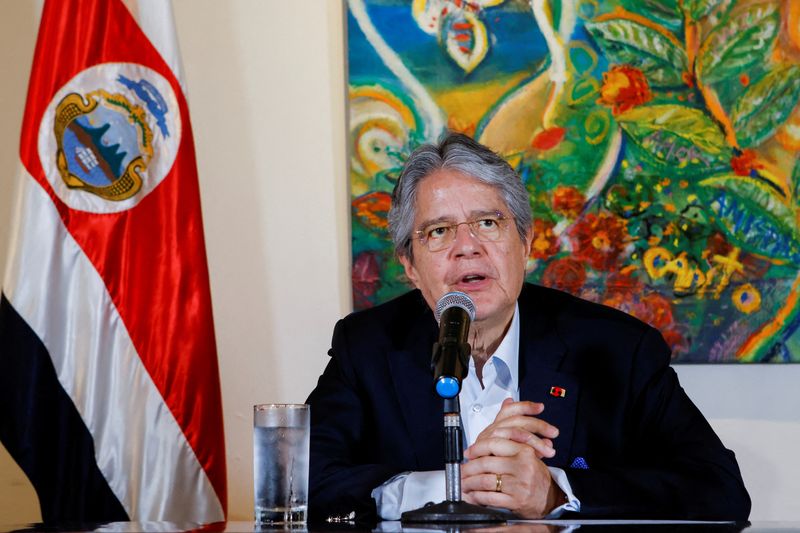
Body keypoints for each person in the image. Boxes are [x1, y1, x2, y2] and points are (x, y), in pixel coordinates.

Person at [306, 132, 751, 523]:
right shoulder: (366, 347)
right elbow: (301, 480)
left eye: (487, 223)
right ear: (409, 264)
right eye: (439, 231)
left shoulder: (618, 348)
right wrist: (450, 489)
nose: (467, 248)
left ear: (525, 242)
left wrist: (554, 491)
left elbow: (719, 489)